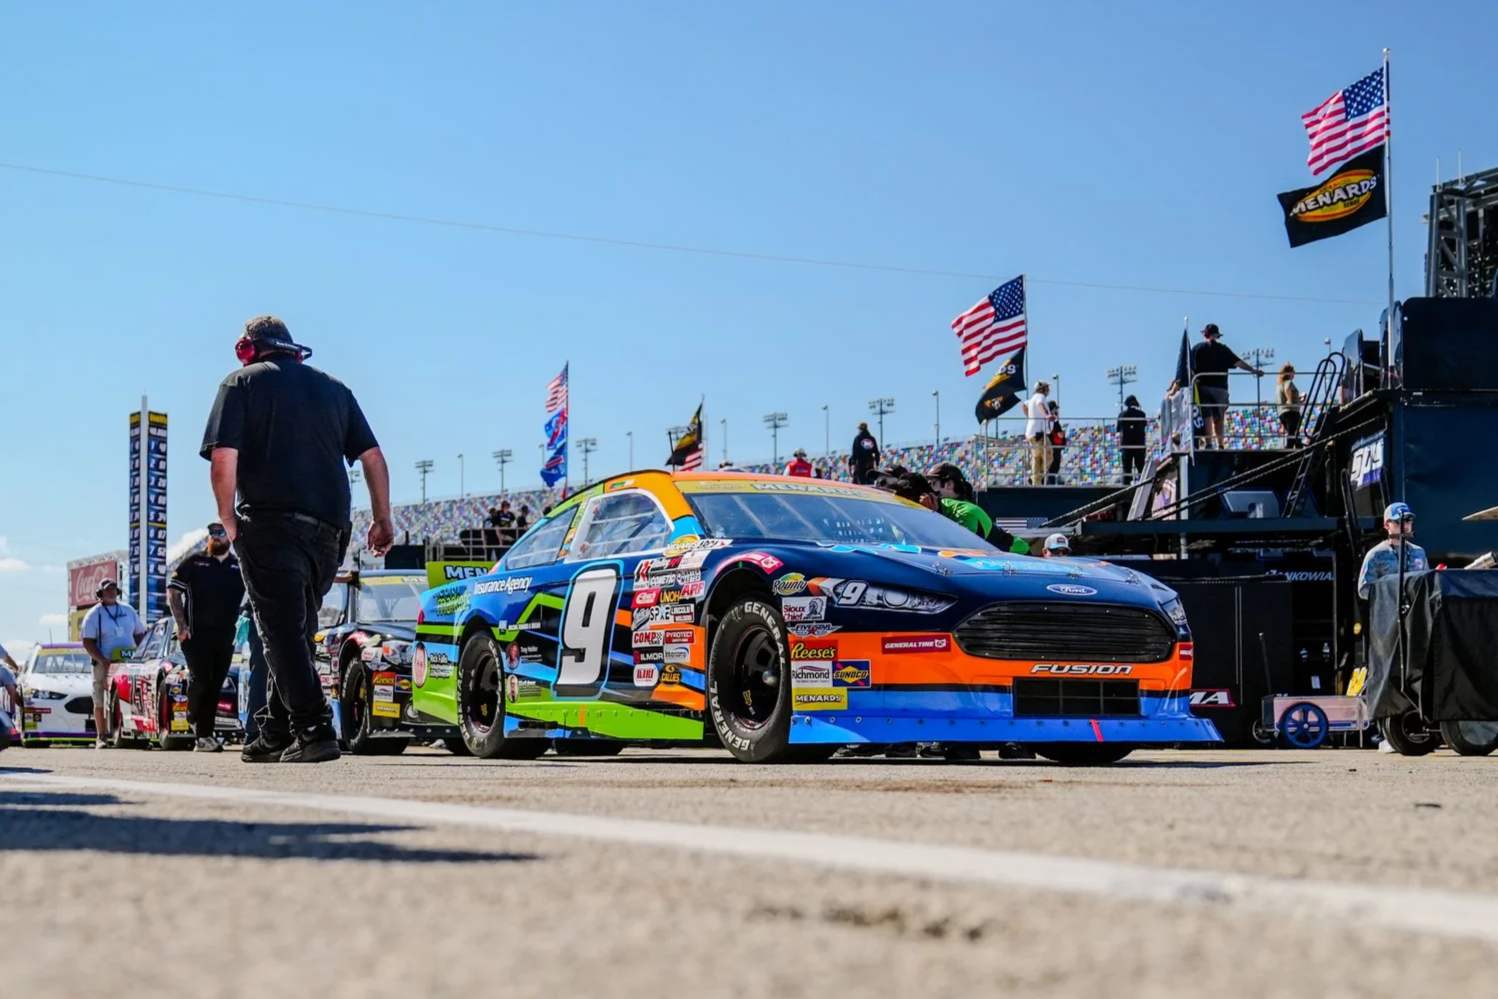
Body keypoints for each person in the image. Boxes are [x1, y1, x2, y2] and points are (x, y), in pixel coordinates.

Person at [201, 315, 394, 764]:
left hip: (270, 522)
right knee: (297, 629)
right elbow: (373, 457)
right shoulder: (335, 388)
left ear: (248, 348)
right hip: (330, 527)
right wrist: (383, 518)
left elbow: (223, 457)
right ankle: (274, 729)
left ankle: (314, 729)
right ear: (292, 348)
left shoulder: (239, 384)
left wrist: (227, 518)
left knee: (281, 632)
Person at [167, 522, 246, 751]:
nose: (216, 537)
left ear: (229, 537)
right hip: (195, 634)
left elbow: (256, 590)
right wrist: (182, 626)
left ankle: (204, 737)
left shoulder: (238, 566)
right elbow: (173, 591)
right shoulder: (195, 562)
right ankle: (192, 714)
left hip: (225, 635)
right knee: (201, 679)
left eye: (220, 533)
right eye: (212, 533)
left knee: (215, 684)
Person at [1166, 323, 1264, 450]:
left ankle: (1209, 444)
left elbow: (1186, 370)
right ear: (1217, 335)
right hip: (1221, 389)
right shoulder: (1223, 349)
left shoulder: (1197, 348)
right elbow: (1238, 362)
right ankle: (1221, 444)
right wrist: (1253, 370)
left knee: (1207, 416)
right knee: (1219, 417)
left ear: (1205, 334)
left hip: (1203, 388)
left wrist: (1175, 386)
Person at [79, 579, 144, 748]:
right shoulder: (94, 614)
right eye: (107, 590)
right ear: (100, 594)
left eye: (114, 589)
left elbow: (139, 635)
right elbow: (87, 641)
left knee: (130, 698)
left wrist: (141, 654)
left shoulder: (128, 610)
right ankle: (101, 737)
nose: (111, 592)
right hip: (104, 663)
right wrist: (101, 658)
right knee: (100, 698)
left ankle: (135, 735)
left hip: (128, 665)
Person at [1357, 502, 1427, 601]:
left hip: (1413, 612)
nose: (1405, 525)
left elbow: (1426, 583)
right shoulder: (1376, 554)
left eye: (1408, 520)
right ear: (1386, 525)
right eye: (1398, 521)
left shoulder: (1419, 552)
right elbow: (1364, 590)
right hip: (1388, 613)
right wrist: (1391, 593)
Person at [1023, 382, 1052, 486]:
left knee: (1037, 458)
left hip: (1031, 432)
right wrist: (1045, 416)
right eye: (1047, 388)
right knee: (1048, 456)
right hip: (1038, 433)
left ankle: (1036, 481)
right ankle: (1036, 478)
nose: (1048, 390)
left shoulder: (1032, 399)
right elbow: (1040, 405)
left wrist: (1030, 417)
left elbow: (1023, 405)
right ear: (1042, 389)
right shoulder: (1040, 397)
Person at [1117, 395, 1148, 484]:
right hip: (1139, 445)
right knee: (1141, 468)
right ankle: (1143, 485)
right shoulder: (1142, 414)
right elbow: (1143, 426)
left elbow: (1119, 430)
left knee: (1127, 469)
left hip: (1126, 445)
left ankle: (1126, 487)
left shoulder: (1122, 415)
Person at [1277, 364, 1302, 448]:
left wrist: (1299, 399)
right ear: (1288, 373)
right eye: (1292, 371)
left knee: (1295, 434)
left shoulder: (1279, 385)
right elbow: (1287, 389)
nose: (1294, 373)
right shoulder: (1288, 382)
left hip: (1283, 413)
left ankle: (1299, 447)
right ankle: (1290, 450)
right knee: (1293, 434)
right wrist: (1290, 400)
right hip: (1291, 412)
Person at [1046, 402, 1067, 485]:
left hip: (1052, 446)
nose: (1057, 411)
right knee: (1054, 467)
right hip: (1055, 446)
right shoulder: (1054, 422)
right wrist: (1063, 433)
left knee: (1051, 466)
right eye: (1055, 409)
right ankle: (1050, 483)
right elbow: (1060, 435)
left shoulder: (1048, 421)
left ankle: (1049, 482)